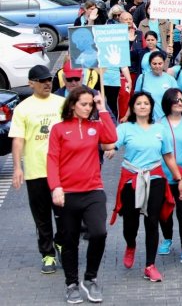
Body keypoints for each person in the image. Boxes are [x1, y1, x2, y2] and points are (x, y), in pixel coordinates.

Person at [47, 86, 117, 303]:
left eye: (90, 104)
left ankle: (90, 278)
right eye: (84, 104)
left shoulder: (95, 126)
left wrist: (102, 108)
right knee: (70, 241)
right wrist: (56, 187)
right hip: (67, 193)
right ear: (72, 105)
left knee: (99, 233)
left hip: (93, 190)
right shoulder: (59, 129)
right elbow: (52, 160)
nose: (88, 108)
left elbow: (111, 137)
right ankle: (71, 284)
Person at [106, 92, 182, 282]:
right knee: (130, 224)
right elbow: (110, 145)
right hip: (131, 178)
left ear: (151, 107)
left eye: (146, 103)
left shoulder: (160, 129)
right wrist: (109, 149)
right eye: (139, 103)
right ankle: (131, 245)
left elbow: (168, 156)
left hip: (155, 177)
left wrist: (179, 179)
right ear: (133, 107)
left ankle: (150, 265)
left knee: (152, 221)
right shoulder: (125, 128)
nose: (142, 106)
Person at [9, 65, 66, 274]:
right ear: (31, 83)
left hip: (61, 171)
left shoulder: (62, 103)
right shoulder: (23, 108)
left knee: (64, 214)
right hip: (36, 171)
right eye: (42, 81)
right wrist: (17, 168)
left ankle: (61, 242)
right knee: (41, 216)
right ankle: (48, 254)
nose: (47, 84)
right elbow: (18, 139)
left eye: (49, 80)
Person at [156, 89, 182, 265]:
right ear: (167, 103)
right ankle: (167, 238)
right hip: (163, 176)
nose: (180, 103)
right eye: (176, 100)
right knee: (163, 211)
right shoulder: (158, 124)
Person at [134, 51, 178, 121]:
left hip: (167, 120)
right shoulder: (142, 78)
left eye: (160, 63)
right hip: (146, 120)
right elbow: (135, 99)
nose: (157, 66)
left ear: (164, 63)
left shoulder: (171, 79)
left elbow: (176, 100)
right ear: (150, 64)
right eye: (154, 64)